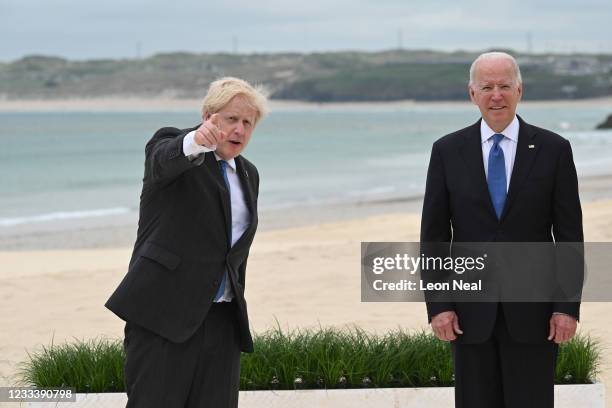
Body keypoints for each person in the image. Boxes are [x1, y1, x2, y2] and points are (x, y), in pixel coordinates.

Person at [420, 52, 583, 408]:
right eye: (487, 86)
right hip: (468, 315)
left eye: (505, 86)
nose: (497, 94)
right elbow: (433, 237)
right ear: (472, 94)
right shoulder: (447, 151)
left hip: (535, 315)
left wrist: (566, 307)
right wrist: (439, 305)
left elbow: (569, 237)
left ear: (520, 90)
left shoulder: (554, 150)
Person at [105, 77, 268, 408]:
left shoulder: (249, 174)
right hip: (164, 317)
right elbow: (162, 160)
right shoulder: (176, 149)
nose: (239, 129)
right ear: (208, 116)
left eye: (247, 123)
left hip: (223, 323)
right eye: (231, 119)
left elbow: (235, 255)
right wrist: (195, 140)